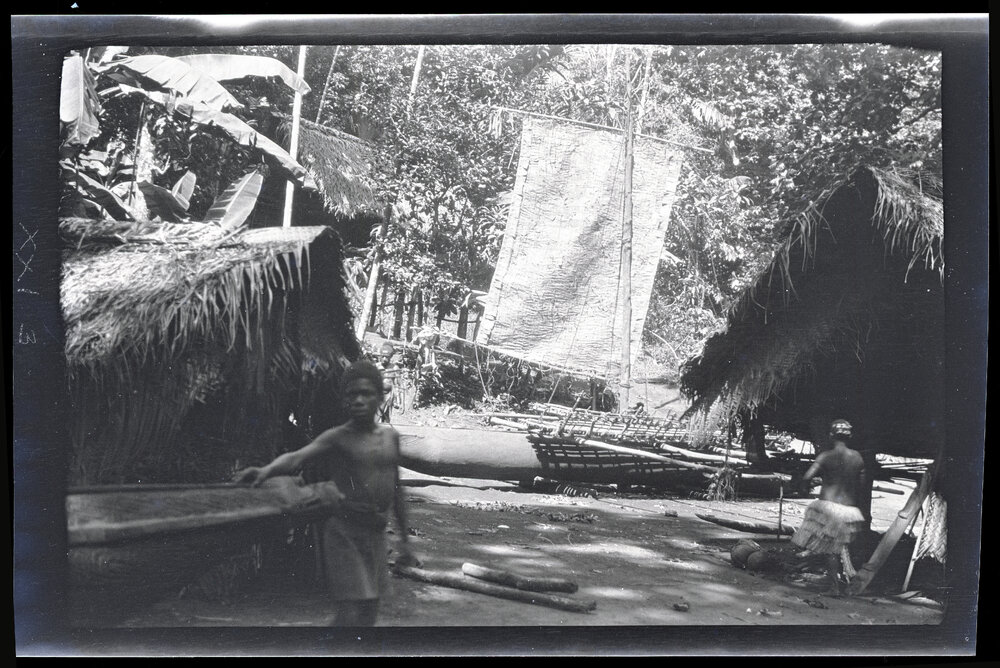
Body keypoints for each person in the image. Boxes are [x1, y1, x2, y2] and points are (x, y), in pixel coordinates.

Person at [234, 360, 421, 626]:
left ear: (380, 396)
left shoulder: (391, 438)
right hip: (344, 532)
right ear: (344, 401)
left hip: (375, 533)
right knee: (349, 614)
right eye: (351, 394)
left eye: (366, 393)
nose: (358, 400)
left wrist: (404, 539)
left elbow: (396, 489)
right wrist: (265, 471)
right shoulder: (338, 437)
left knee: (369, 612)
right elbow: (297, 457)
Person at [792, 419, 868, 596]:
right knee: (841, 546)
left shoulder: (825, 456)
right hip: (849, 510)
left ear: (831, 435)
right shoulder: (858, 457)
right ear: (850, 436)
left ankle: (835, 586)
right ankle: (847, 578)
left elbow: (806, 477)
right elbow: (862, 485)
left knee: (830, 550)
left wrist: (806, 485)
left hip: (828, 508)